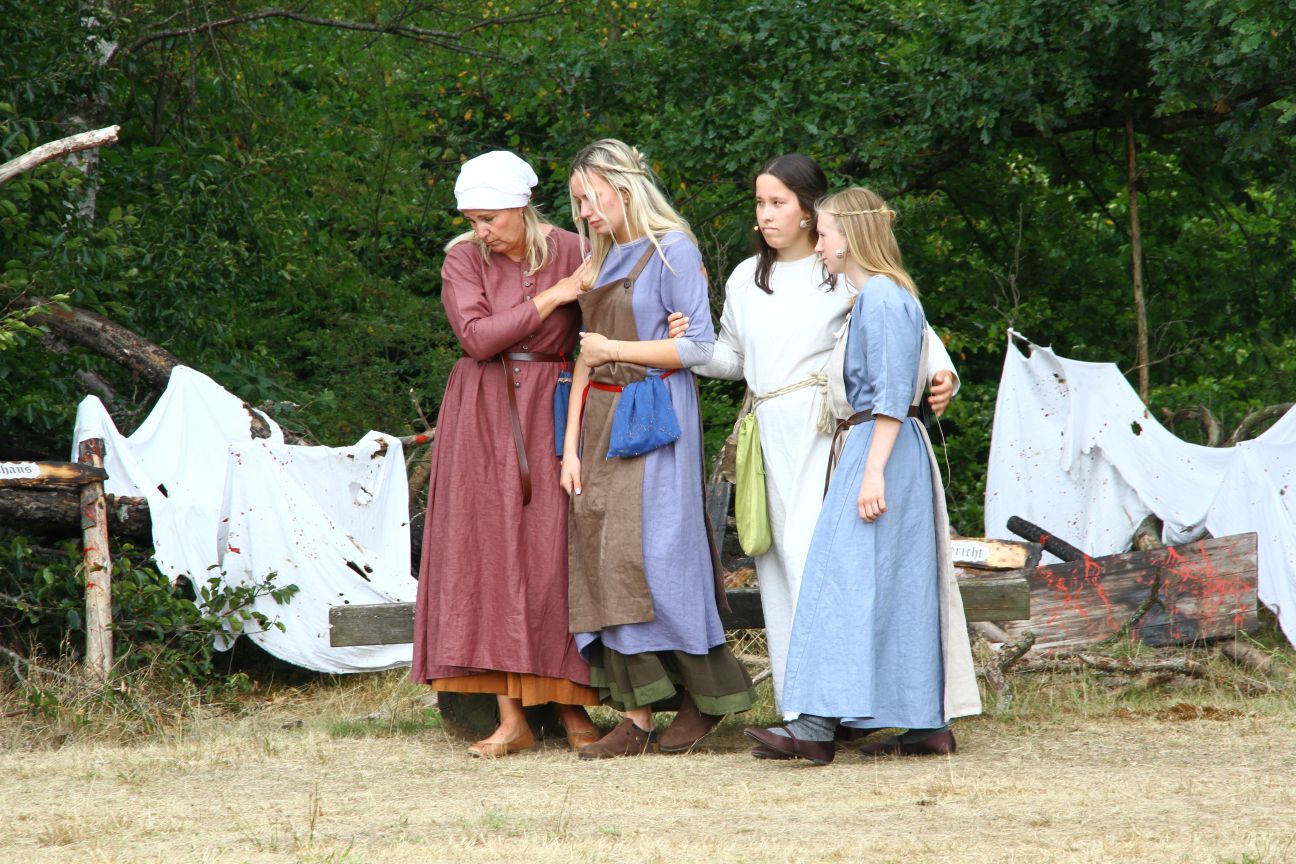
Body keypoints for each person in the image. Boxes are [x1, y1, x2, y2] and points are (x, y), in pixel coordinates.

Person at [667, 154, 959, 733]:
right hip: (770, 429)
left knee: (822, 565)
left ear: (808, 211)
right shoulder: (747, 278)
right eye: (759, 203)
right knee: (777, 564)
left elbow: (906, 328)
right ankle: (801, 705)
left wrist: (942, 371)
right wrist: (692, 344)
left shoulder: (840, 266)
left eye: (777, 202)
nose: (764, 214)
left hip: (829, 429)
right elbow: (733, 360)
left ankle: (845, 708)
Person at [744, 187, 981, 765]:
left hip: (881, 450)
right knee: (897, 583)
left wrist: (872, 472)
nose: (818, 245)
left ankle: (815, 727)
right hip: (876, 448)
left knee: (839, 581)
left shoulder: (882, 297)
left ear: (848, 237)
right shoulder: (875, 297)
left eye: (824, 234)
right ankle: (924, 725)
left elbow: (893, 395)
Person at [559, 139, 756, 759]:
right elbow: (585, 357)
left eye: (589, 198)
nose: (582, 212)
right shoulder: (600, 259)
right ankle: (637, 714)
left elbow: (696, 348)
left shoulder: (675, 250)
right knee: (607, 558)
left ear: (623, 187)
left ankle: (706, 697)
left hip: (657, 414)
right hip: (600, 419)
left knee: (660, 557)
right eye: (576, 202)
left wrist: (618, 350)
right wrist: (569, 447)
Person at [411, 150, 601, 758]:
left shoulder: (573, 247)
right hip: (485, 409)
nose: (481, 231)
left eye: (490, 218)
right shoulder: (463, 259)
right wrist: (555, 297)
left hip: (555, 404)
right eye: (472, 220)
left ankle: (572, 707)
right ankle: (511, 718)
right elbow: (477, 337)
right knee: (489, 554)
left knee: (553, 551)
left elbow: (607, 317)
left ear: (522, 207)